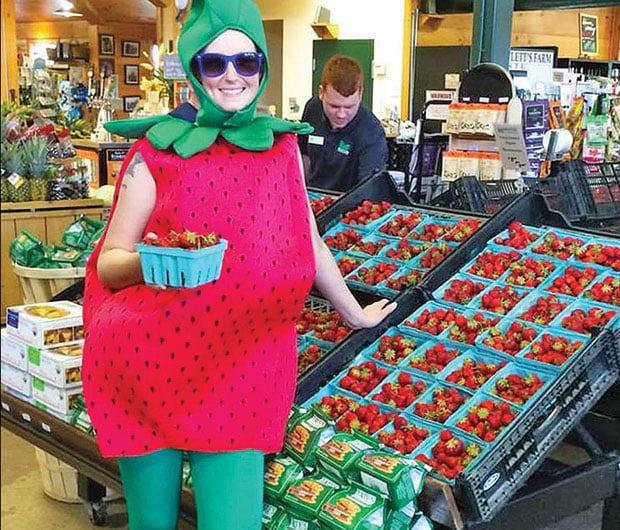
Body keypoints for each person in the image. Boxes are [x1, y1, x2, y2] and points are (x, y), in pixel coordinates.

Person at [80, 1, 396, 529]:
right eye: (215, 63)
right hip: (146, 363)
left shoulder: (283, 148)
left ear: (262, 67)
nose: (232, 77)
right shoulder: (155, 153)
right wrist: (152, 261)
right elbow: (110, 264)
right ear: (194, 69)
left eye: (245, 62)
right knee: (151, 524)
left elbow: (308, 241)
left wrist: (353, 312)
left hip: (239, 371)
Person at [299, 55, 388, 192]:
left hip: (348, 203)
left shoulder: (372, 132)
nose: (341, 114)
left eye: (349, 107)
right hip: (312, 197)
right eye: (334, 106)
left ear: (360, 94)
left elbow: (368, 189)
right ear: (321, 93)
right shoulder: (312, 109)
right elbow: (304, 154)